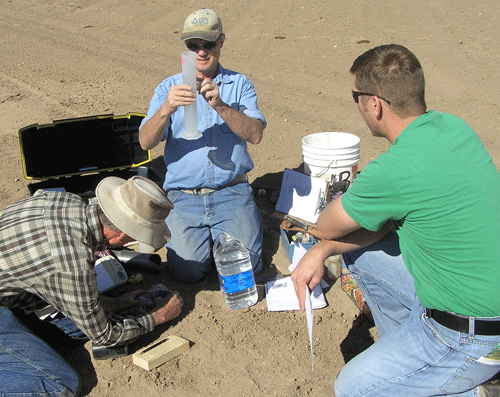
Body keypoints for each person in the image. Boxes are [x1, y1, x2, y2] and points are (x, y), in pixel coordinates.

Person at [291, 44, 500, 396]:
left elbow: (325, 224)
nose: (356, 104)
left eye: (355, 95)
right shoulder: (454, 128)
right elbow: (384, 224)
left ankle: (468, 388)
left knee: (352, 388)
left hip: (471, 336)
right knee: (363, 253)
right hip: (478, 301)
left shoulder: (393, 170)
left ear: (375, 104)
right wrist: (322, 251)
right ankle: (411, 359)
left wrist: (331, 221)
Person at [0, 176, 183, 396]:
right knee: (61, 385)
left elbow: (66, 284)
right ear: (122, 235)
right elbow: (105, 336)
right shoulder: (71, 263)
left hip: (11, 296)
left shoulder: (65, 200)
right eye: (133, 239)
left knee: (77, 326)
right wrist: (158, 316)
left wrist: (117, 302)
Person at [139, 8, 266, 283]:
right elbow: (145, 141)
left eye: (208, 44)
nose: (201, 52)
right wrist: (166, 109)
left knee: (244, 273)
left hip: (230, 191)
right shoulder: (169, 87)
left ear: (220, 42)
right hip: (184, 197)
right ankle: (211, 244)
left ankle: (228, 236)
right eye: (193, 46)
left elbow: (255, 134)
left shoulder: (239, 84)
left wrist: (220, 106)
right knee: (188, 272)